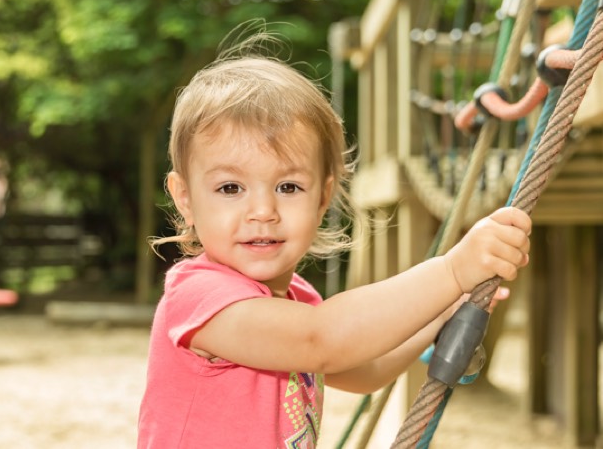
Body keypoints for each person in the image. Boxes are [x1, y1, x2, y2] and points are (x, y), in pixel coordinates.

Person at [137, 31, 531, 449]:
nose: (263, 211)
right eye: (230, 188)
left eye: (288, 187)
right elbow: (322, 340)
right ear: (185, 198)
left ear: (323, 197)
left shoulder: (298, 300)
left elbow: (366, 370)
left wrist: (439, 311)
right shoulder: (199, 297)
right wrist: (451, 271)